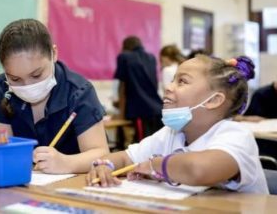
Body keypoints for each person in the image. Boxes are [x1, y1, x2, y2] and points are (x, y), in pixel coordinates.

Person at [86, 55, 268, 194]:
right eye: (173, 79)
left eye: (182, 81)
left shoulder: (236, 135)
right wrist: (105, 166)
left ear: (213, 100)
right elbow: (126, 158)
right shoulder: (172, 133)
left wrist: (154, 165)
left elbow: (199, 170)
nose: (168, 87)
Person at [0, 19, 109, 174]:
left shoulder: (79, 92)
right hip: (23, 183)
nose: (27, 86)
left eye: (37, 75)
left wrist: (66, 163)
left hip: (73, 183)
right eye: (15, 79)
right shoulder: (0, 89)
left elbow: (101, 153)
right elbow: (3, 148)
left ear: (54, 53)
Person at [114, 36, 163, 141]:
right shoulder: (151, 57)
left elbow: (123, 87)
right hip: (157, 108)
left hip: (140, 111)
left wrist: (121, 115)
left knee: (140, 148)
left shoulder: (124, 57)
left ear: (125, 47)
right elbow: (154, 83)